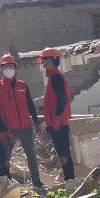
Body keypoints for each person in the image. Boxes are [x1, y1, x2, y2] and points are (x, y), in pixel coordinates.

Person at [0, 54, 45, 188]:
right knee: (6, 158)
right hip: (9, 129)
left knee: (31, 155)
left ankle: (36, 182)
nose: (8, 69)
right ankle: (6, 185)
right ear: (1, 69)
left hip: (26, 127)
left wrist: (37, 122)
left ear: (15, 68)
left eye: (10, 66)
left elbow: (30, 104)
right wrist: (2, 129)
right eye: (5, 67)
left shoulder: (23, 85)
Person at [39, 48, 75, 181]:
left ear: (54, 61)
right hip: (58, 122)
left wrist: (57, 118)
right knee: (62, 154)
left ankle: (71, 180)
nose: (43, 64)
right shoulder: (55, 77)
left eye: (46, 61)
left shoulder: (55, 77)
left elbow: (63, 98)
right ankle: (70, 179)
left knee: (64, 156)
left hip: (59, 123)